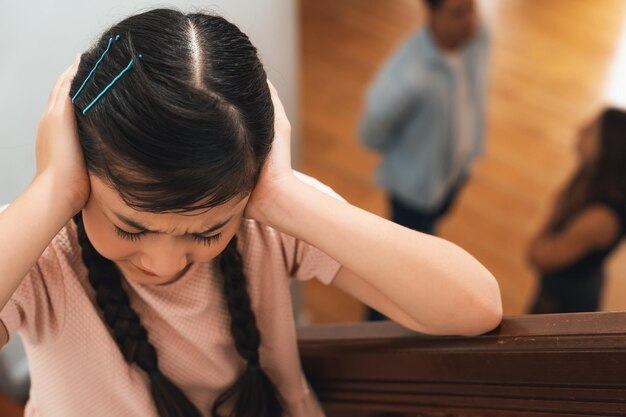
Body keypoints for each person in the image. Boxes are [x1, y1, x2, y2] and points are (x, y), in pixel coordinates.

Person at [0, 8, 502, 417]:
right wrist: (52, 193)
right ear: (79, 177)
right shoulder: (43, 251)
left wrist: (284, 196)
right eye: (132, 227)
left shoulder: (267, 220)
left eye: (206, 233)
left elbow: (474, 308)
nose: (165, 262)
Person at [360, 0, 489, 320]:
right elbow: (370, 131)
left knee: (424, 243)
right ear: (430, 13)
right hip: (415, 191)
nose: (470, 21)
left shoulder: (477, 38)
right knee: (399, 264)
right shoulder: (409, 76)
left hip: (454, 174)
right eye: (458, 13)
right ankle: (379, 320)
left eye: (472, 8)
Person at [528, 108, 626, 314]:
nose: (581, 129)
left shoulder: (601, 217)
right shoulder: (594, 178)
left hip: (566, 297)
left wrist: (551, 218)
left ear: (608, 147)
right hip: (572, 274)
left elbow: (540, 256)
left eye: (591, 130)